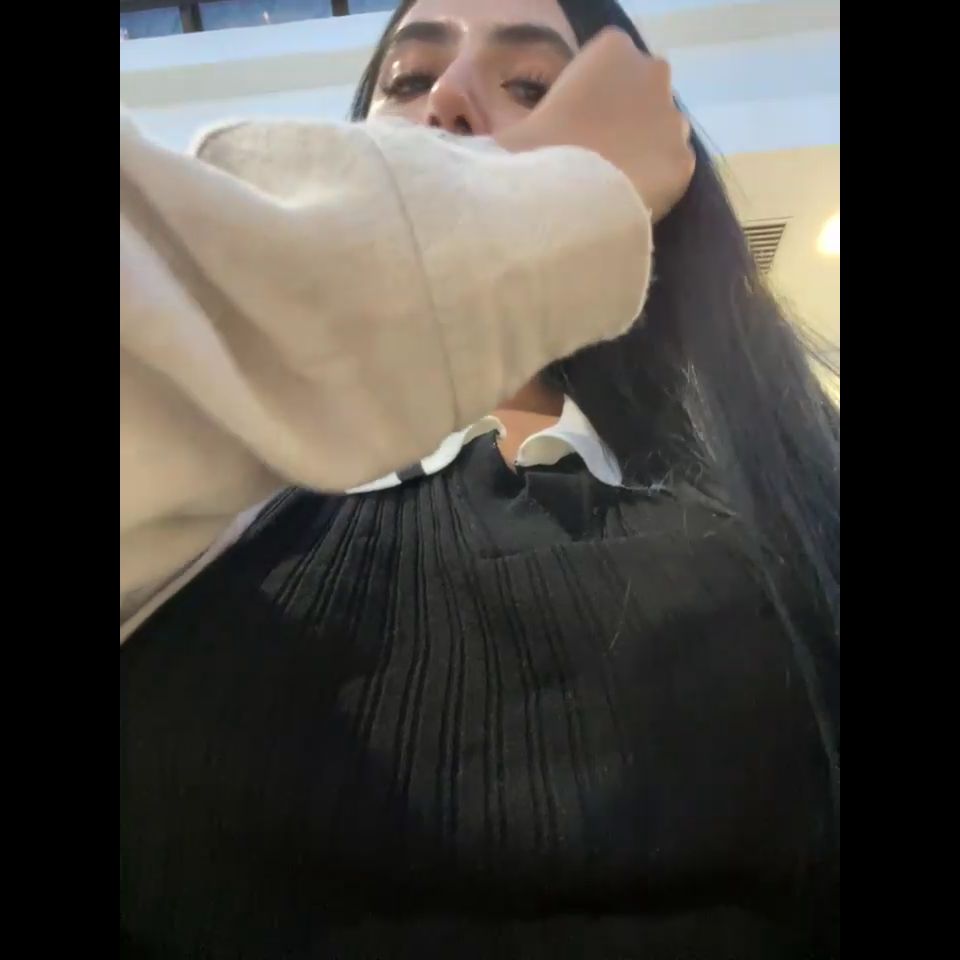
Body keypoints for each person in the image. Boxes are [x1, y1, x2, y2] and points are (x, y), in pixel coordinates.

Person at [120, 1, 839, 957]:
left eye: (534, 87)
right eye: (408, 80)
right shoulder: (202, 513)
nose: (451, 97)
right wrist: (545, 193)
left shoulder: (792, 497)